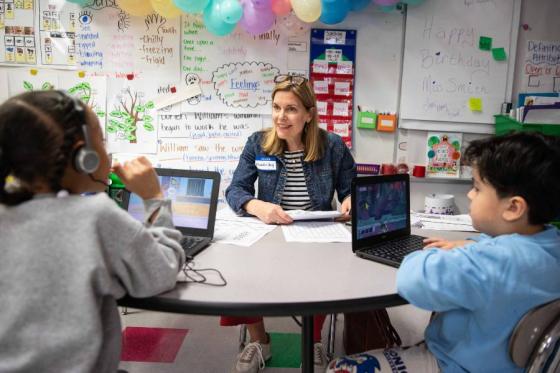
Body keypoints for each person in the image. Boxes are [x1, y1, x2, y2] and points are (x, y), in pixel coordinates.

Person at [327, 131, 560, 372]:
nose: (469, 194)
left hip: (453, 365)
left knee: (340, 368)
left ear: (513, 208)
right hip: (503, 364)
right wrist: (476, 245)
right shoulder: (549, 245)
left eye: (477, 188)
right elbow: (505, 257)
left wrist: (434, 254)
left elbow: (414, 281)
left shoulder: (489, 261)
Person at [0, 90, 185, 373]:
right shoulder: (96, 215)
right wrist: (154, 196)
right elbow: (162, 271)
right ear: (81, 155)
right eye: (101, 137)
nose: (106, 149)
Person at [224, 74, 357, 372]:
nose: (280, 117)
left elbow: (353, 189)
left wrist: (351, 202)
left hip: (317, 232)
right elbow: (235, 190)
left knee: (325, 274)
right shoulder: (258, 143)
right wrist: (255, 205)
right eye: (276, 107)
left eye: (291, 109)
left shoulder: (333, 146)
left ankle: (313, 343)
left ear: (309, 114)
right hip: (271, 230)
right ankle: (260, 342)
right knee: (240, 273)